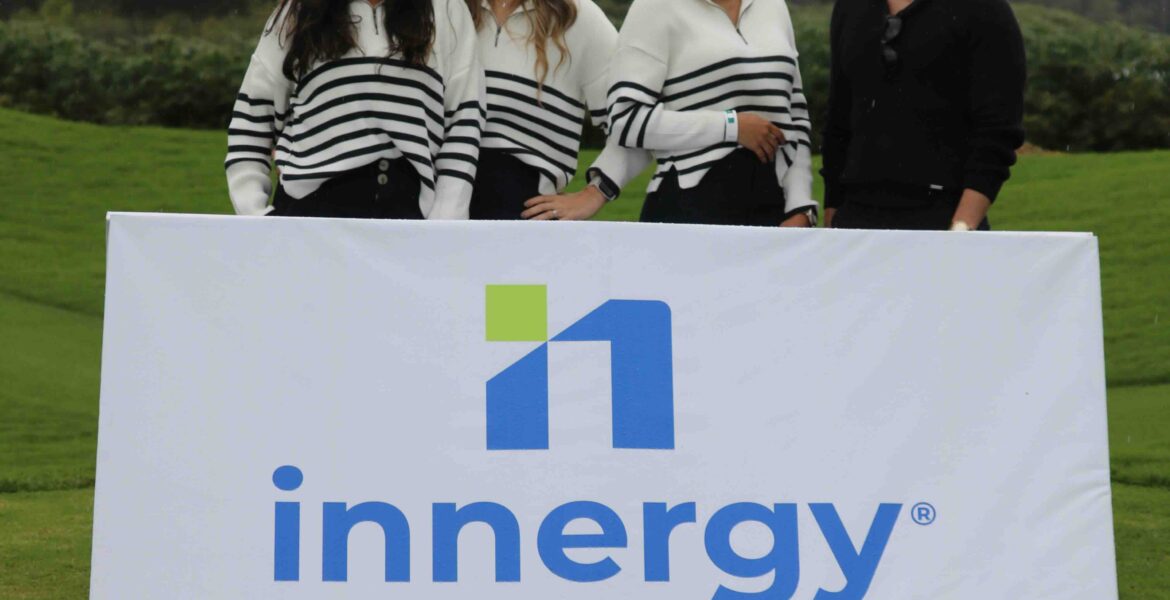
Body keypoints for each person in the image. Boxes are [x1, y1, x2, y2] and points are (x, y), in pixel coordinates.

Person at [225, 0, 484, 219]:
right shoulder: (299, 11)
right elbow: (251, 121)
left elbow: (464, 122)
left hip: (409, 218)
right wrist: (257, 217)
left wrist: (445, 223)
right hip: (309, 216)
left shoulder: (445, 9)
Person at [606, 0, 817, 227]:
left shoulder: (773, 5)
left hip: (772, 209)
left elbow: (796, 118)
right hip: (688, 207)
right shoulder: (654, 7)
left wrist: (801, 207)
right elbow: (625, 120)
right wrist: (730, 126)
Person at [820, 0, 1026, 231]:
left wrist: (962, 227)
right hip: (855, 217)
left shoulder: (984, 8)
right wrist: (833, 218)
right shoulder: (850, 6)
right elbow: (838, 120)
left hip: (945, 217)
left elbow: (998, 129)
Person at [470, 0, 649, 221]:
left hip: (525, 220)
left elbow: (639, 121)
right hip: (439, 216)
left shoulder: (578, 18)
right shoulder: (448, 11)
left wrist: (596, 192)